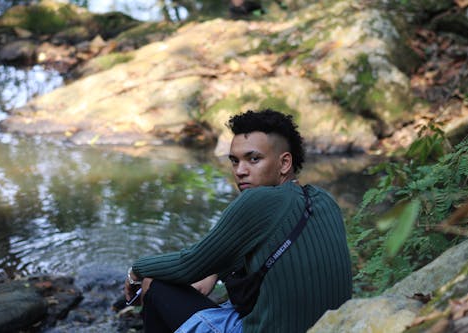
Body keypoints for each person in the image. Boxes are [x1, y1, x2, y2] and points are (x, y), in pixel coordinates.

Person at [124, 109, 352, 332]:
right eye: (234, 161)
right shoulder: (323, 199)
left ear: (284, 163)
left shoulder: (258, 199)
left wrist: (136, 270)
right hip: (334, 327)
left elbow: (188, 265)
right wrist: (215, 271)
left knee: (153, 283)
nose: (240, 171)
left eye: (254, 159)